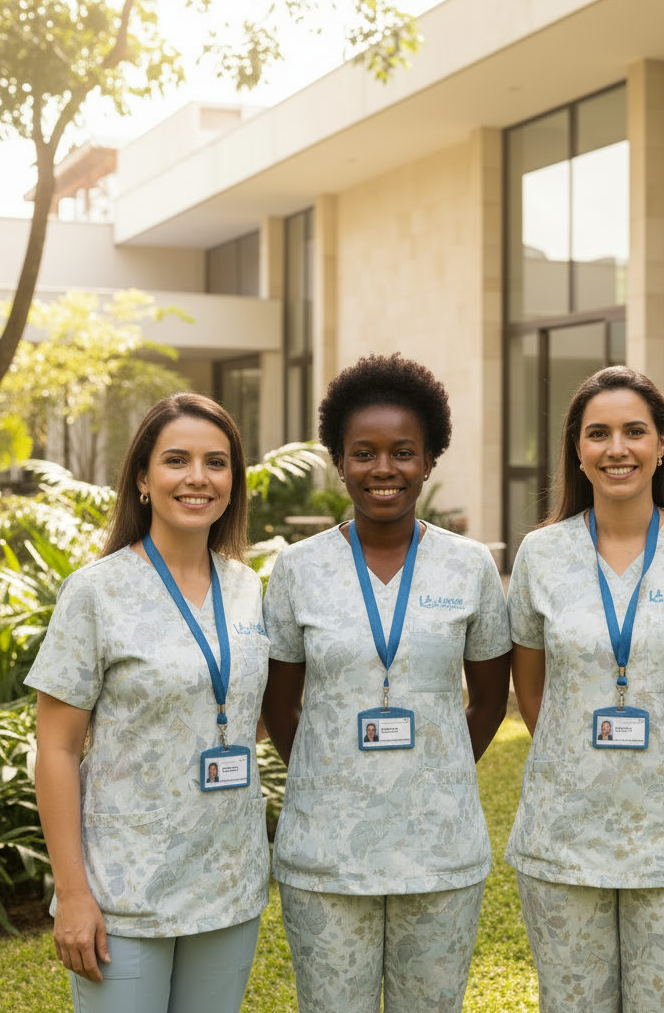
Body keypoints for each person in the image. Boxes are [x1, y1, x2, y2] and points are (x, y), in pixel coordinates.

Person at [261, 353, 512, 1013]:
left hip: (440, 850)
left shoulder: (470, 568)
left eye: (403, 452)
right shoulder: (297, 570)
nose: (383, 469)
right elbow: (280, 705)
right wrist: (328, 776)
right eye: (364, 453)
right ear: (339, 462)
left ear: (429, 461)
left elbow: (489, 702)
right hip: (326, 853)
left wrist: (434, 772)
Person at [506, 365, 664, 1012]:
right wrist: (575, 758)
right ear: (577, 449)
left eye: (635, 431)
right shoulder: (540, 555)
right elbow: (533, 689)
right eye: (599, 434)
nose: (618, 449)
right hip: (563, 836)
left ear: (663, 442)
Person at [29, 394, 270, 1013]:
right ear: (142, 478)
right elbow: (56, 748)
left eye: (216, 462)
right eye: (176, 460)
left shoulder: (247, 587)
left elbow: (247, 713)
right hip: (123, 890)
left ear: (233, 482)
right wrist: (73, 893)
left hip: (228, 882)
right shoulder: (95, 592)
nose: (198, 478)